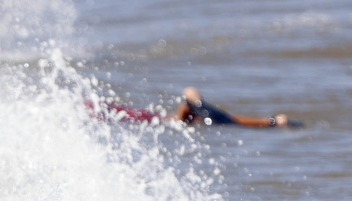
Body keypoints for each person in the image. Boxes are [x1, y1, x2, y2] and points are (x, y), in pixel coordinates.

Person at [90, 87, 296, 128]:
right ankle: (273, 121)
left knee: (222, 121)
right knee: (222, 121)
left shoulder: (99, 112)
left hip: (173, 120)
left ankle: (273, 121)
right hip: (176, 120)